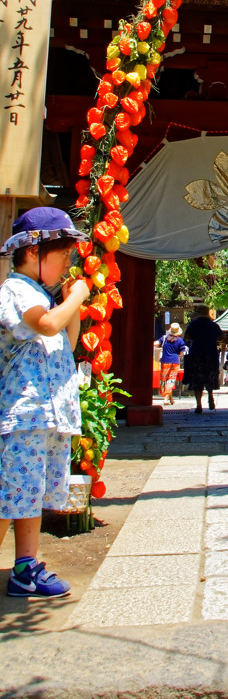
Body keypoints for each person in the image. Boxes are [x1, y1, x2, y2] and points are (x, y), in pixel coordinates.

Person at [0, 207, 91, 598]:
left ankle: (26, 565)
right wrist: (78, 297)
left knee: (29, 494)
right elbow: (48, 324)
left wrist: (74, 307)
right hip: (26, 413)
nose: (68, 264)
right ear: (34, 252)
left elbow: (65, 344)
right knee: (9, 493)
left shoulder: (42, 295)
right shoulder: (16, 290)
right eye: (64, 255)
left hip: (47, 414)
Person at [183, 304, 223, 413]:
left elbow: (186, 336)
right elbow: (221, 337)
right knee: (210, 376)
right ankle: (210, 395)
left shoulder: (194, 324)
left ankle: (199, 404)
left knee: (197, 379)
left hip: (197, 353)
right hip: (211, 353)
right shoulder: (213, 325)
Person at [155, 323, 187, 405]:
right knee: (171, 380)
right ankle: (167, 399)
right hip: (175, 362)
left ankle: (170, 398)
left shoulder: (164, 338)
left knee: (164, 380)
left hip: (165, 361)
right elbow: (182, 352)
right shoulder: (180, 340)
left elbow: (156, 344)